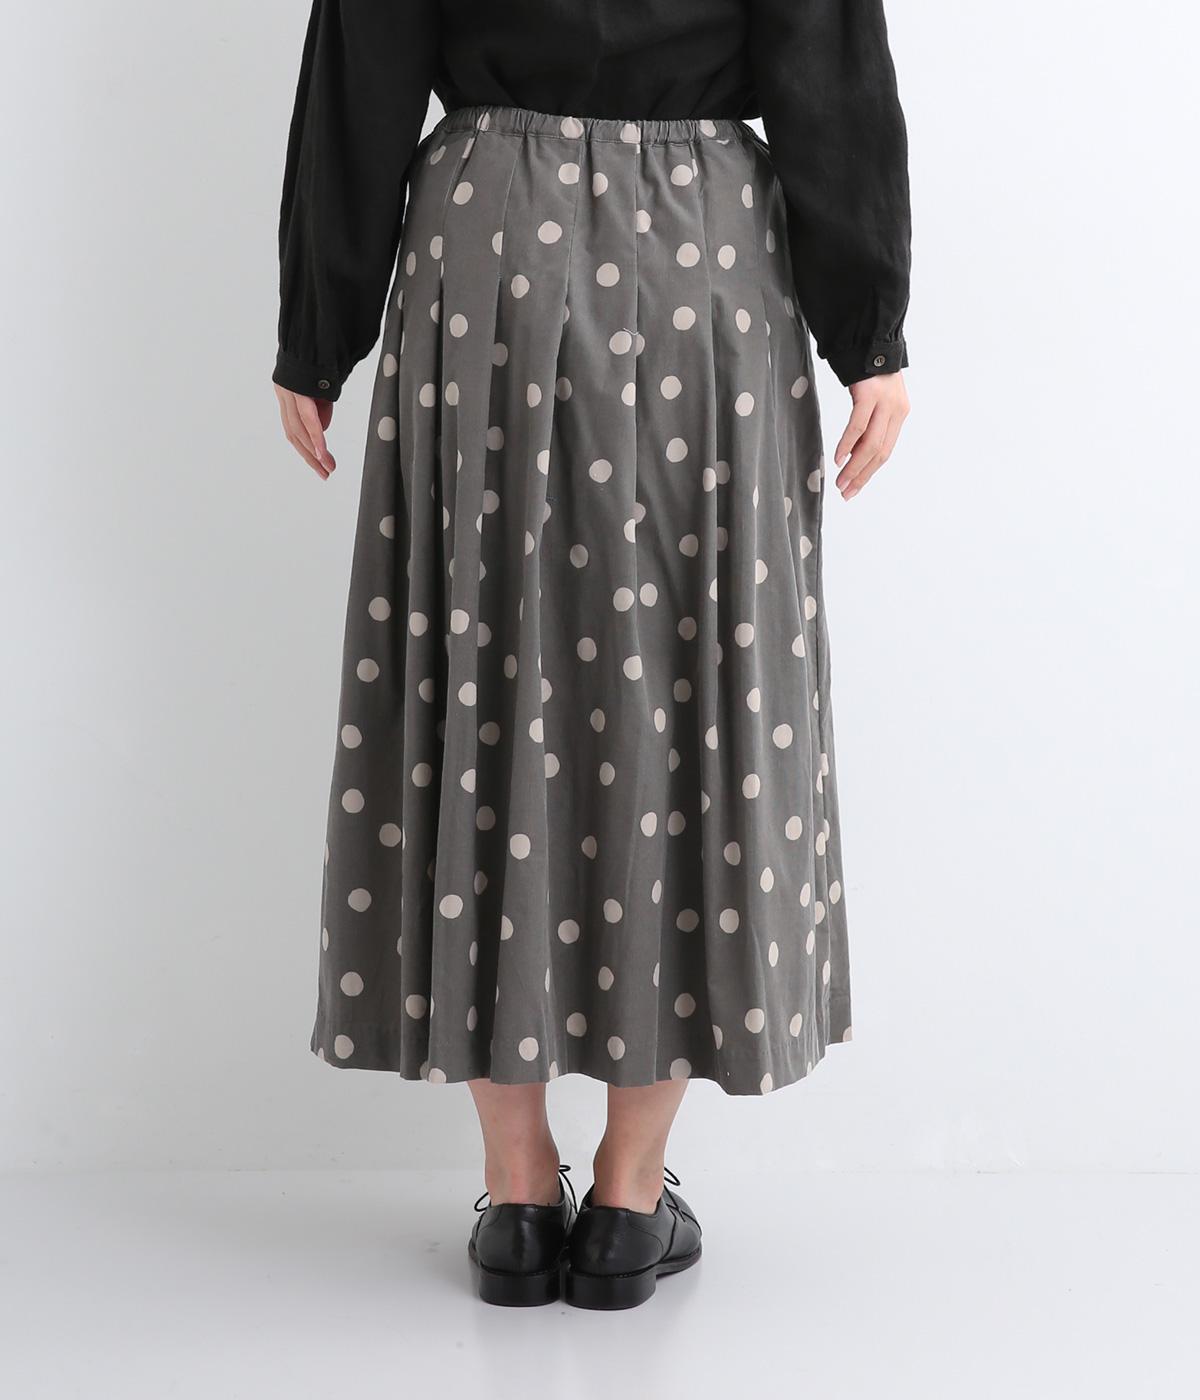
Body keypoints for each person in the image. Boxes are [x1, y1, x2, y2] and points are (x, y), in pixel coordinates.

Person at [271, 0, 911, 1311]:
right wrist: (871, 335)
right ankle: (626, 1199)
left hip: (488, 246)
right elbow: (826, 68)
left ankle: (518, 1196)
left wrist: (316, 332)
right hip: (703, 255)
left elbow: (363, 69)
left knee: (480, 676)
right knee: (684, 694)